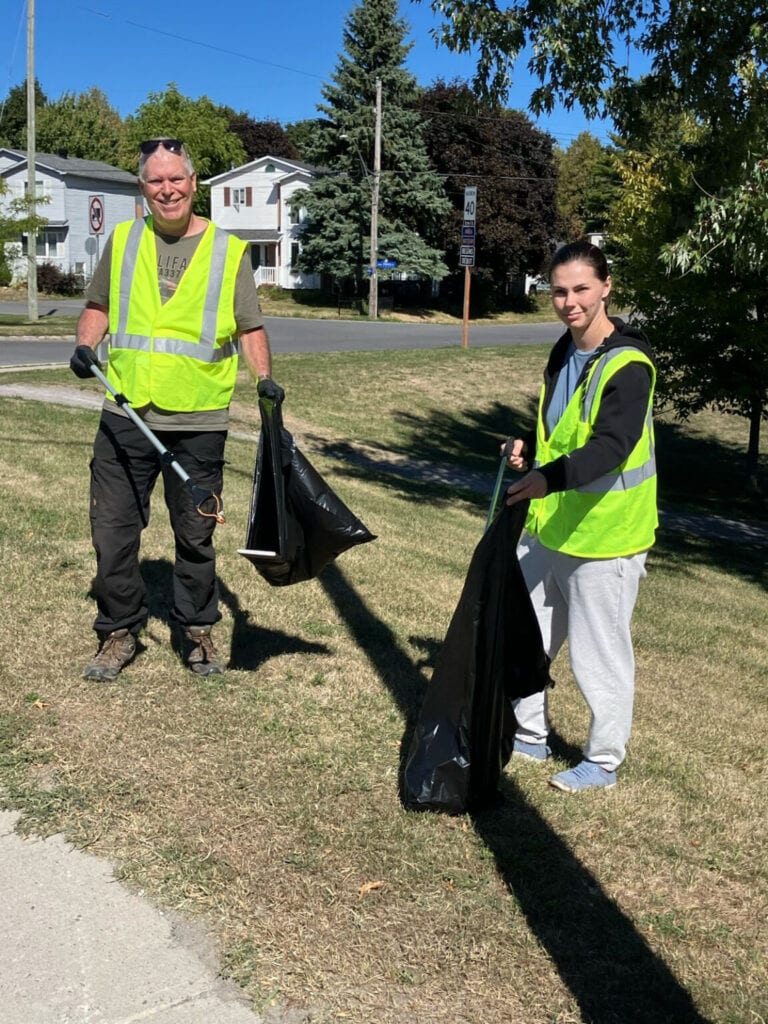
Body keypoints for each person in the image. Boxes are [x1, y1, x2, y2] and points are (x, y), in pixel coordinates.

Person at [70, 137, 284, 682]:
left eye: (176, 179)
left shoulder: (227, 250)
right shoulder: (121, 241)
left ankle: (196, 630)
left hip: (198, 420)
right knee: (113, 529)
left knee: (196, 534)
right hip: (126, 414)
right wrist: (85, 344)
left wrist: (265, 382)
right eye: (155, 181)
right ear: (143, 189)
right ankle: (118, 631)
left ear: (192, 183)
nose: (167, 189)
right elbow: (98, 306)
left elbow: (249, 326)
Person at [503, 241, 657, 793]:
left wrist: (548, 477)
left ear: (606, 287)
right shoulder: (562, 352)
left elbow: (610, 447)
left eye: (581, 289)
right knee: (525, 635)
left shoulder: (629, 364)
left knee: (600, 656)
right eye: (560, 291)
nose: (570, 302)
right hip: (553, 527)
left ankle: (603, 761)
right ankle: (528, 735)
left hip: (606, 538)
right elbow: (557, 426)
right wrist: (527, 446)